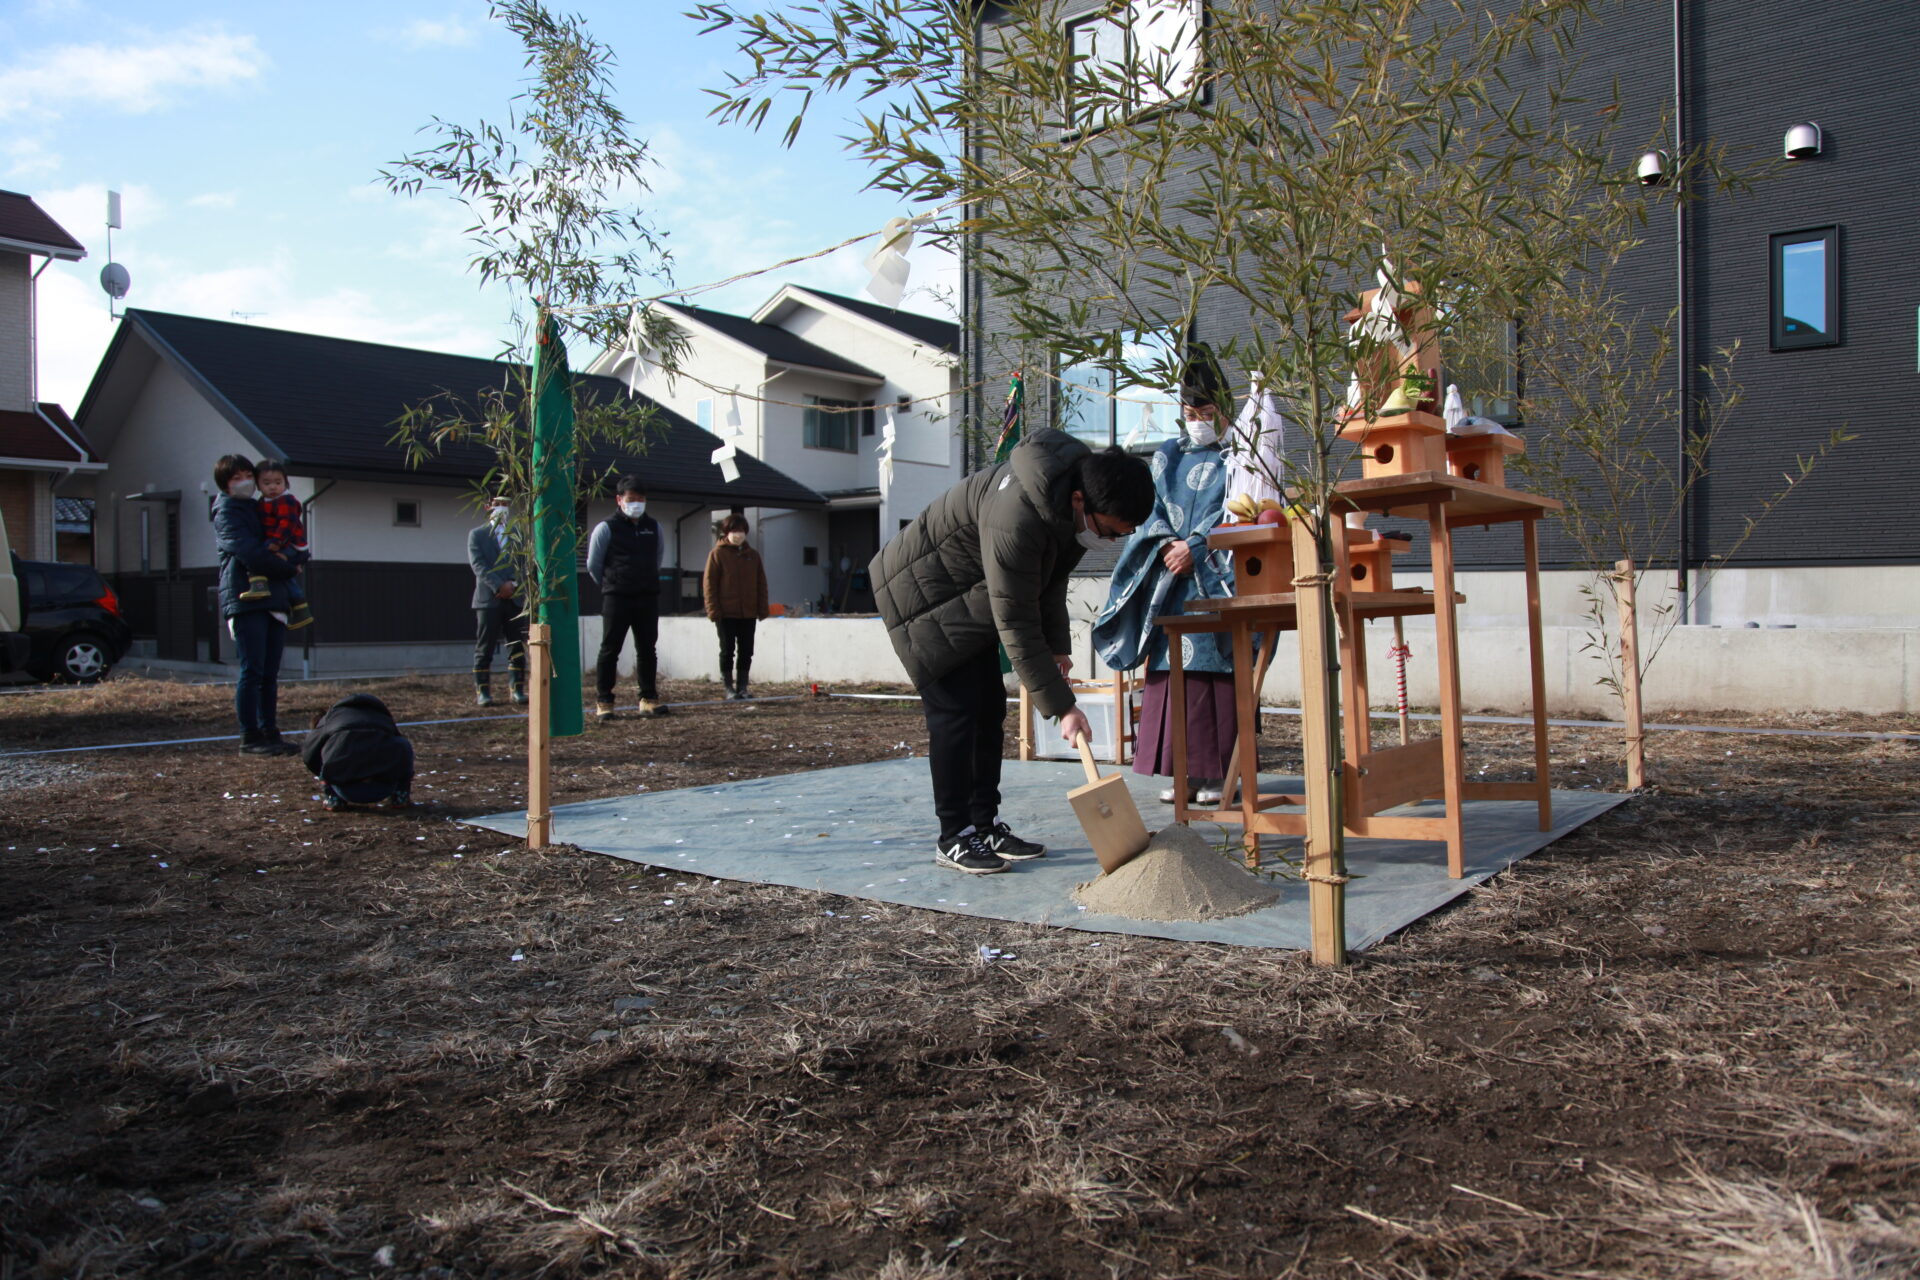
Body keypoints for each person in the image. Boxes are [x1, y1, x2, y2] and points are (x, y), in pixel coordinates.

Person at [871, 426, 1155, 875]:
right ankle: (955, 835)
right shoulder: (1018, 515)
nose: (1111, 541)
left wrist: (1058, 647)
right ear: (1082, 500)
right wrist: (1062, 708)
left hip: (973, 597)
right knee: (957, 713)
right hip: (922, 597)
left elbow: (1049, 579)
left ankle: (985, 824)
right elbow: (1016, 618)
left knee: (988, 709)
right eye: (1110, 530)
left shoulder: (1066, 503)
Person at [1092, 347, 1239, 804]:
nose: (1197, 419)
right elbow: (1150, 513)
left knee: (1214, 672)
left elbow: (1239, 510)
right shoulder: (1167, 455)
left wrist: (1197, 546)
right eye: (1190, 411)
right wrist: (1166, 547)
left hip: (1216, 575)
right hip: (1168, 582)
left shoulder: (1240, 455)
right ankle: (1183, 775)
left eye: (1207, 412)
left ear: (1224, 412)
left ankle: (1220, 776)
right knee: (1172, 671)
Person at [212, 453, 303, 756]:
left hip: (273, 597)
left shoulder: (261, 506)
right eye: (235, 478)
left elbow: (291, 542)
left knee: (269, 672)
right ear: (225, 484)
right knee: (252, 670)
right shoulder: (226, 511)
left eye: (246, 476)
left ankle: (270, 732)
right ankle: (249, 736)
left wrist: (294, 556)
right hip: (243, 596)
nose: (244, 483)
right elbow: (250, 552)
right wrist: (289, 567)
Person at [587, 474, 666, 718]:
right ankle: (604, 702)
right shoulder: (606, 528)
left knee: (647, 649)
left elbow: (658, 559)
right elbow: (593, 564)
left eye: (641, 499)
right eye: (631, 499)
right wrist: (612, 582)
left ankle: (648, 698)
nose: (637, 504)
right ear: (619, 500)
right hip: (616, 597)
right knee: (610, 649)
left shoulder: (654, 527)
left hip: (646, 596)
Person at [302, 693, 415, 811]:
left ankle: (333, 799)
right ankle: (400, 796)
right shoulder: (381, 717)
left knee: (328, 752)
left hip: (346, 789)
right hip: (384, 787)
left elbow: (309, 751)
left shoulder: (331, 718)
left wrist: (322, 771)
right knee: (402, 744)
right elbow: (401, 751)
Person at [468, 494, 528, 708]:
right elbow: (478, 565)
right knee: (485, 647)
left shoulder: (518, 536)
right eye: (497, 505)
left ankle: (517, 689)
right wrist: (498, 585)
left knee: (516, 645)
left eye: (506, 504)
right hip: (488, 600)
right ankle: (483, 691)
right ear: (488, 507)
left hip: (514, 599)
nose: (502, 509)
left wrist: (513, 585)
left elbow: (524, 565)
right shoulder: (477, 535)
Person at [242, 459, 315, 630]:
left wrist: (276, 542)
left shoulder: (286, 501)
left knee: (259, 554)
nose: (273, 487)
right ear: (258, 485)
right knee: (285, 576)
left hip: (291, 545)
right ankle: (300, 607)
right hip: (283, 545)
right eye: (267, 483)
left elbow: (287, 524)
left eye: (278, 482)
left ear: (285, 483)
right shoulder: (261, 503)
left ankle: (259, 585)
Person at [704, 513, 770, 700]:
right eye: (734, 530)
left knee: (746, 650)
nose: (738, 534)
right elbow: (709, 585)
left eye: (741, 531)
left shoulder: (753, 555)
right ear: (726, 532)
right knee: (727, 650)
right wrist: (713, 610)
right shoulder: (717, 554)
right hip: (726, 613)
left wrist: (762, 608)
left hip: (748, 612)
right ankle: (728, 687)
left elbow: (761, 583)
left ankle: (742, 686)